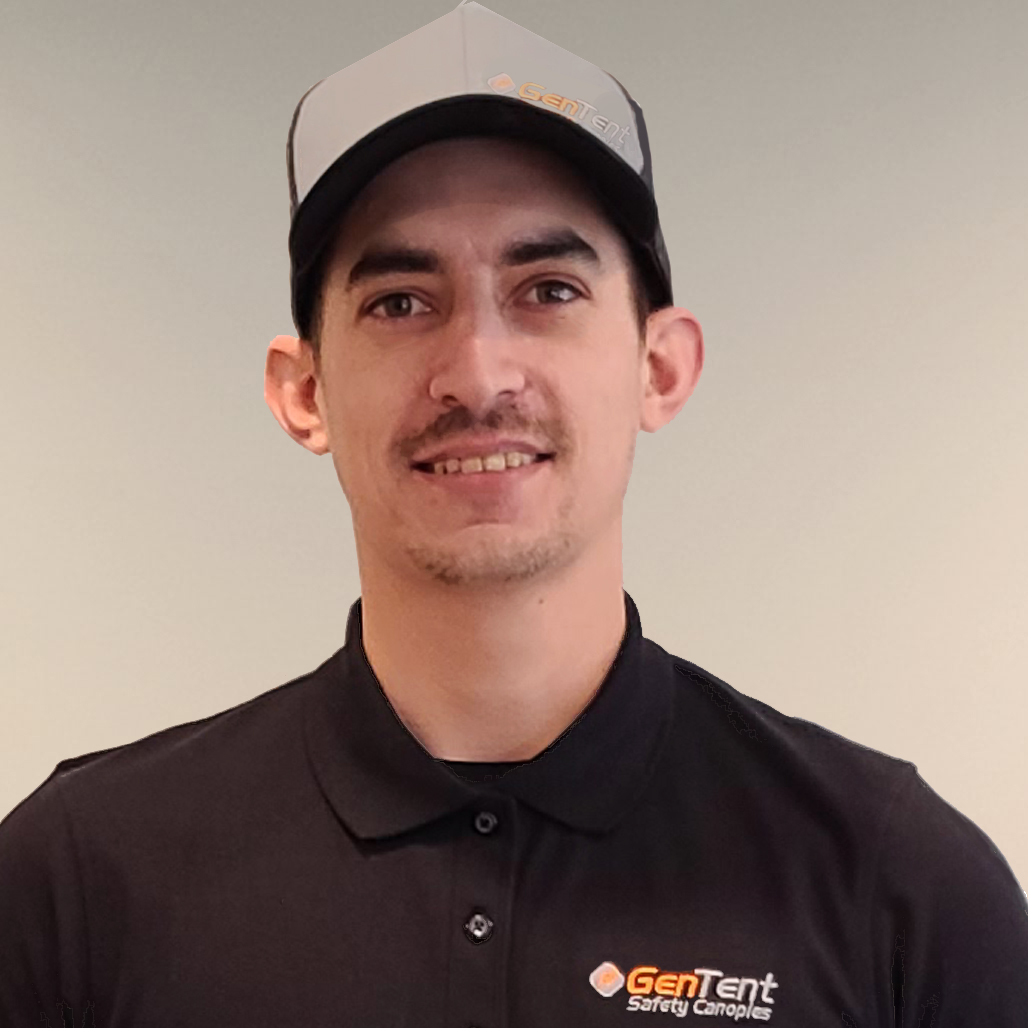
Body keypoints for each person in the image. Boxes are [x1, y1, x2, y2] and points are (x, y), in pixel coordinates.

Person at [3, 3, 1026, 1025]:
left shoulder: (899, 887)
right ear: (305, 391)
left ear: (659, 367)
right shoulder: (77, 880)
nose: (478, 373)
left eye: (547, 290)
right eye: (400, 301)